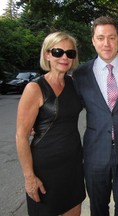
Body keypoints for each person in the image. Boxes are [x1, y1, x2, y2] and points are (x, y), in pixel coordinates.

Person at [72, 16, 118, 216]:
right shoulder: (80, 75)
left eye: (111, 37)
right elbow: (70, 107)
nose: (106, 43)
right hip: (95, 152)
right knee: (98, 207)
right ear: (93, 40)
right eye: (101, 37)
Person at [16, 31, 86, 216]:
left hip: (73, 166)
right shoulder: (34, 88)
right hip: (45, 170)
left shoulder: (74, 84)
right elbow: (21, 136)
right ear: (47, 54)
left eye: (70, 53)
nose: (64, 57)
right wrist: (29, 177)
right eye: (57, 52)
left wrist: (115, 59)